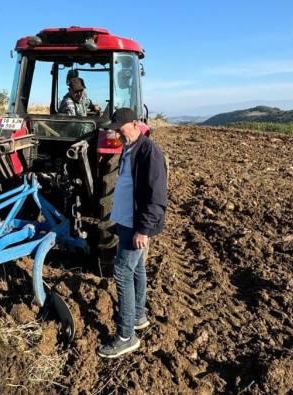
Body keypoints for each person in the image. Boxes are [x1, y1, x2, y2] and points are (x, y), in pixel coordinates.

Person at [97, 107, 168, 359]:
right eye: (115, 129)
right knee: (137, 269)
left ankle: (126, 336)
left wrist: (144, 229)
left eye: (121, 128)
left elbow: (157, 197)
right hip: (126, 221)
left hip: (137, 225)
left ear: (135, 123)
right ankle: (138, 316)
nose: (117, 133)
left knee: (122, 272)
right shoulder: (128, 148)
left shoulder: (149, 152)